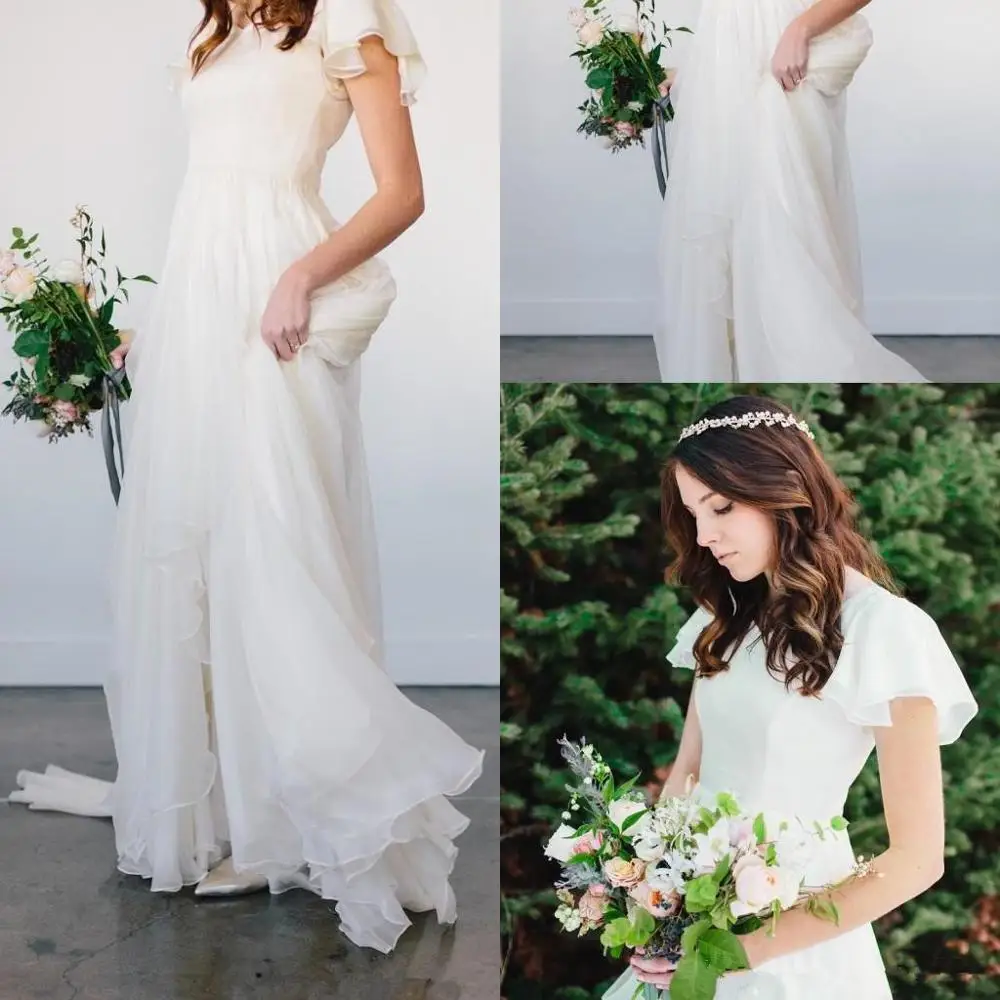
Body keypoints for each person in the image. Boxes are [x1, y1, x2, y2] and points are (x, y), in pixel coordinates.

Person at [8, 0, 484, 955]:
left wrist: (300, 277)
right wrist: (153, 332)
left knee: (277, 548)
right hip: (202, 294)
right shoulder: (211, 32)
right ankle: (236, 811)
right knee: (204, 552)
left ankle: (295, 826)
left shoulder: (343, 20)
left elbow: (403, 192)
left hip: (279, 298)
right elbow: (212, 195)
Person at [603, 396, 977, 998]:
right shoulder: (720, 619)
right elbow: (688, 773)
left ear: (786, 488)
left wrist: (737, 953)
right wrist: (651, 903)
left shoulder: (886, 630)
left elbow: (917, 858)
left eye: (721, 507)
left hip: (798, 941)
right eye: (694, 514)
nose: (704, 536)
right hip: (691, 922)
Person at [653, 0, 927, 381]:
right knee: (732, 250)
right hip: (734, 81)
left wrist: (800, 30)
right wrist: (701, 77)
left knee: (785, 238)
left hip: (787, 69)